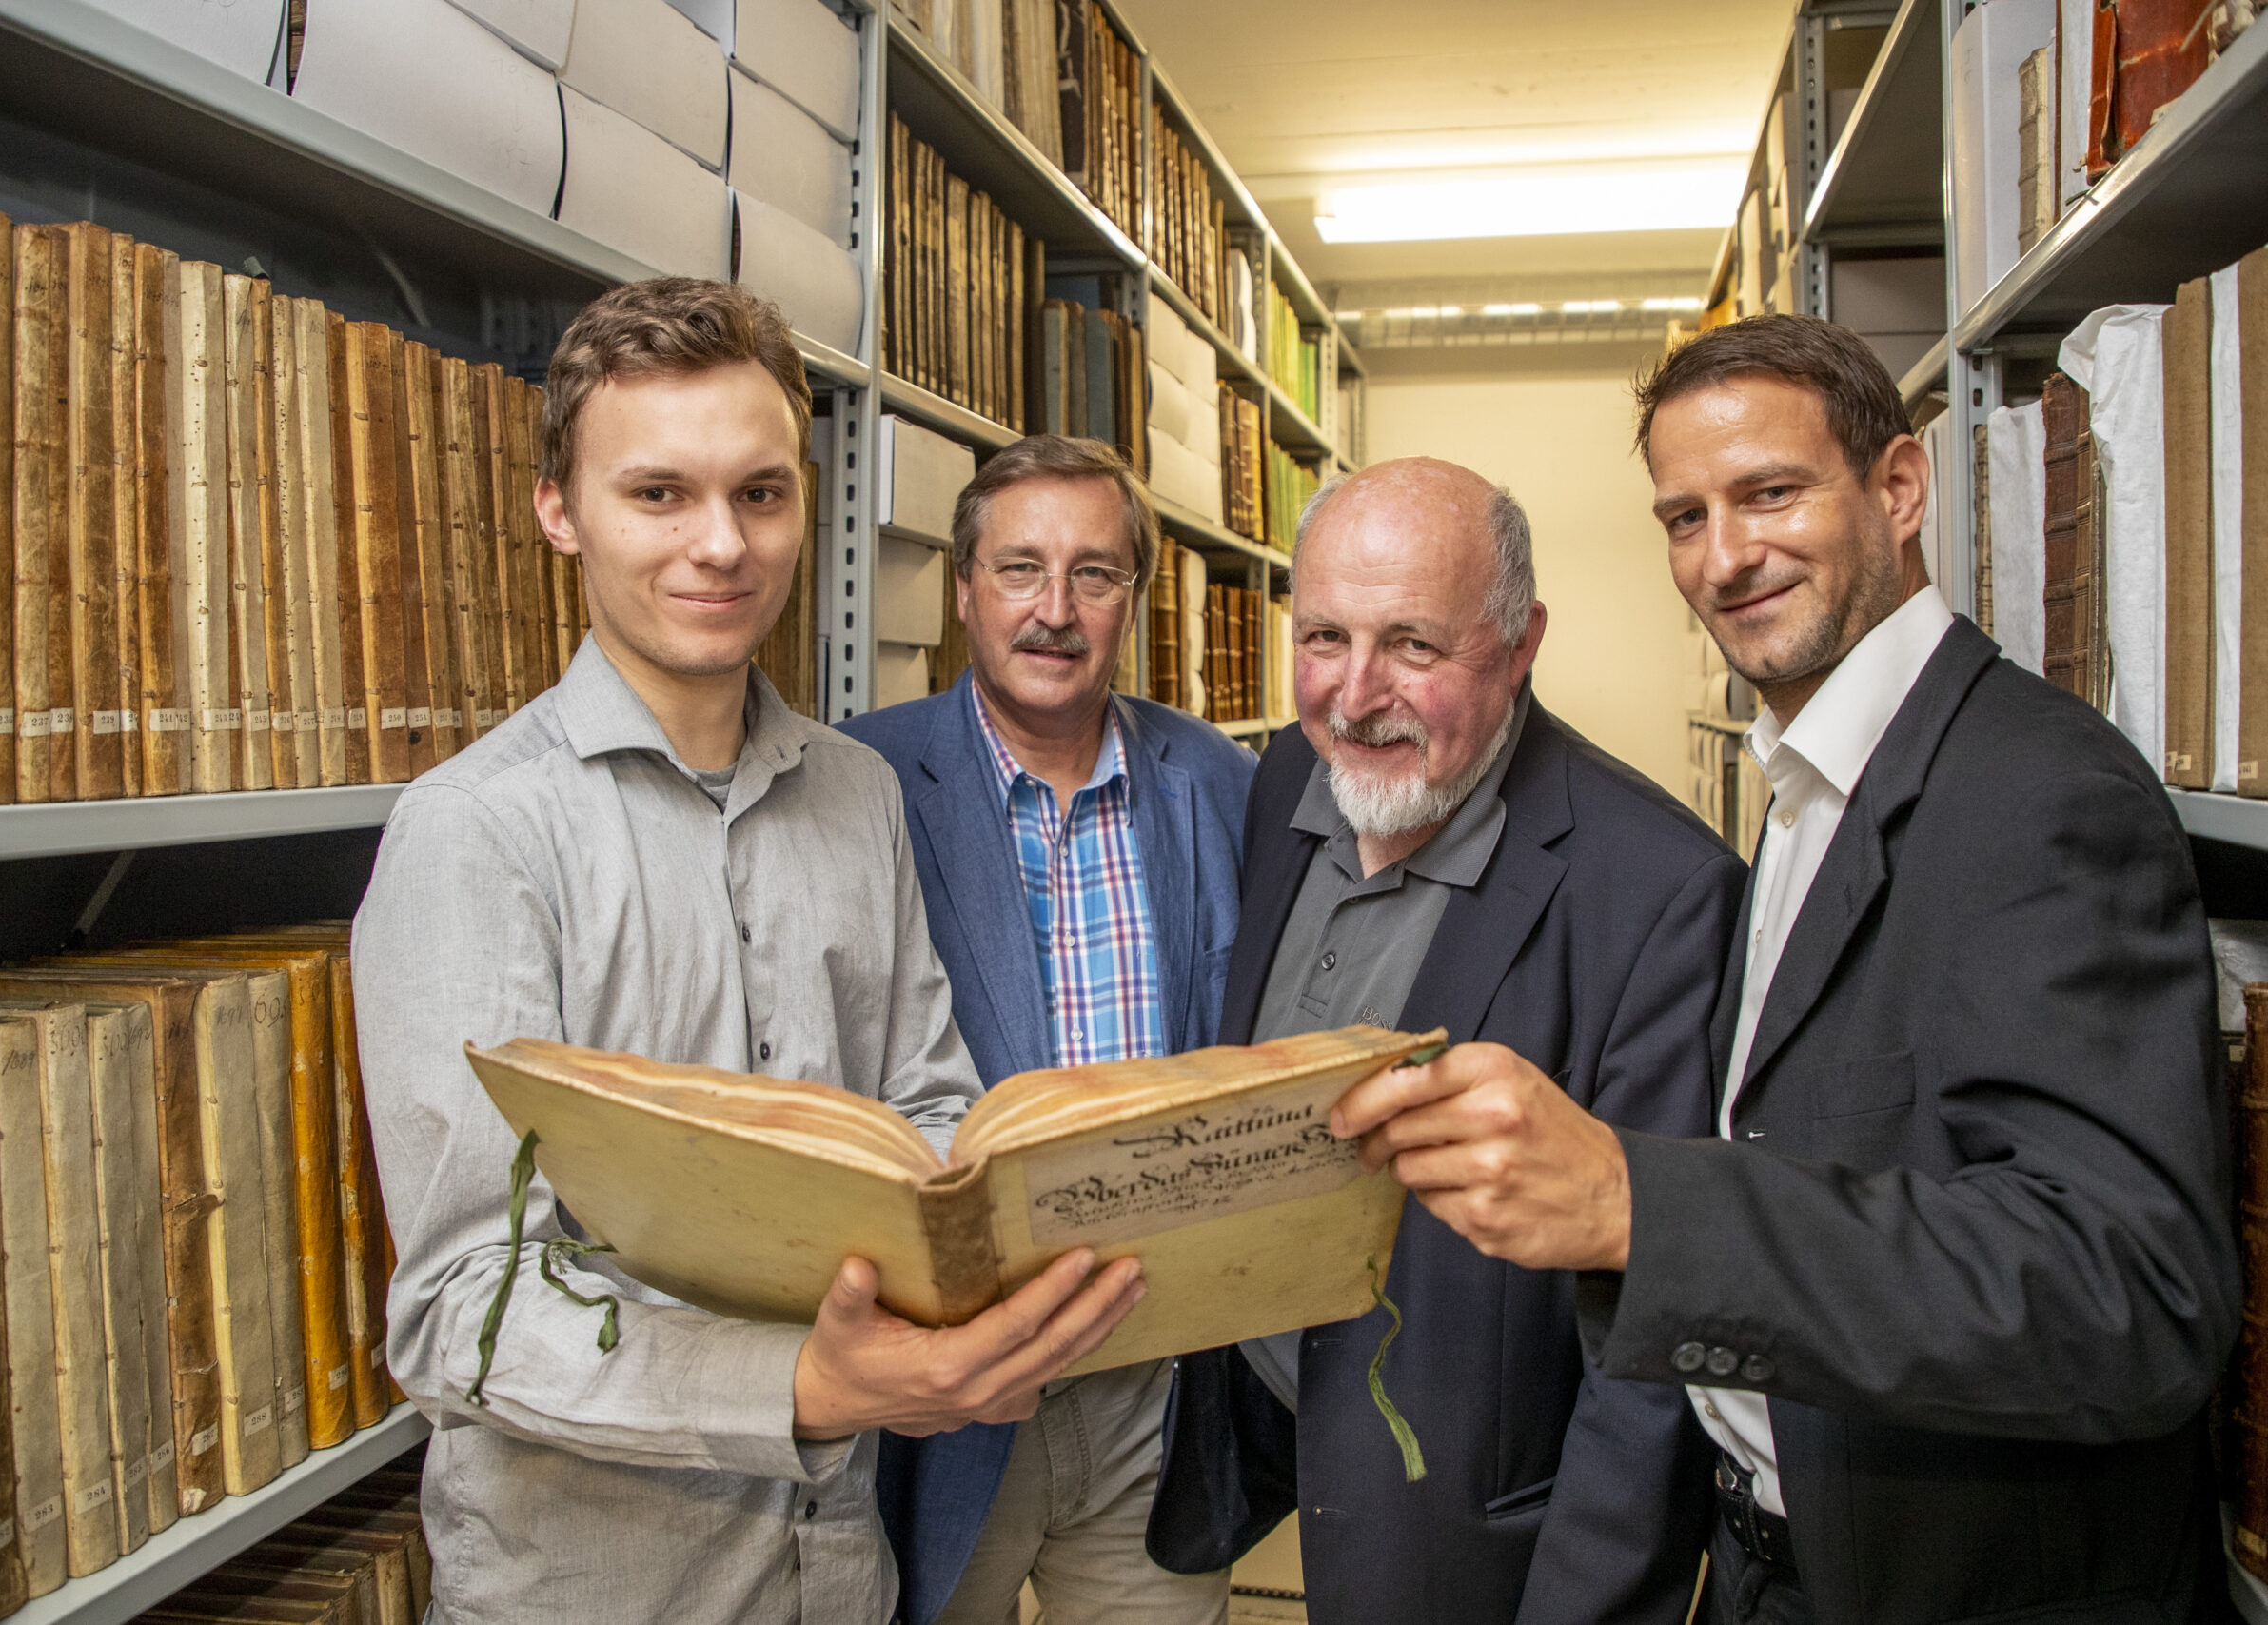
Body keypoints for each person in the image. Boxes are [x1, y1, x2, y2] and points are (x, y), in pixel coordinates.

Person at [1330, 314, 2240, 1624]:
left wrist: (1642, 1204)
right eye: (1685, 516)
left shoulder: (2036, 791)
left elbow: (2130, 1290)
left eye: (1771, 493)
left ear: (1901, 488)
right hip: (1777, 1561)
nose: (1726, 555)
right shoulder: (1812, 780)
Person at [350, 279, 1145, 1625]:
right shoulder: (473, 834)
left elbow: (929, 1102)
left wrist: (980, 1277)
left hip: (842, 1571)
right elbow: (458, 1313)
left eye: (762, 494)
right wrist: (808, 1385)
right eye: (657, 493)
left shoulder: (858, 793)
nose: (721, 544)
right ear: (560, 509)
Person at [1146, 458, 1741, 1623]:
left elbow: (1660, 1337)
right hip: (1275, 1435)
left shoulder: (1660, 891)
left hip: (1462, 1520)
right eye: (1322, 637)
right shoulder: (1284, 782)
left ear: (1520, 644)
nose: (1355, 694)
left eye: (1414, 646)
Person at [841, 435, 1254, 1625]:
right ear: (964, 589)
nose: (1055, 611)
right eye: (1019, 569)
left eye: (1095, 572)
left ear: (1136, 593)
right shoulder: (860, 783)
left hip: (1155, 1376)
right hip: (949, 1386)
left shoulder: (1219, 782)